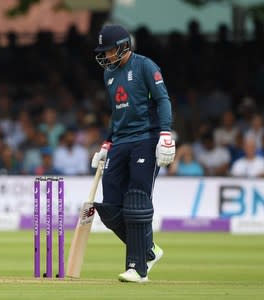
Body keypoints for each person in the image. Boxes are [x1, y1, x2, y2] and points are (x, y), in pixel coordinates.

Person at [90, 24, 175, 283]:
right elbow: (117, 113)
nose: (106, 55)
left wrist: (165, 134)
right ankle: (148, 249)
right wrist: (107, 142)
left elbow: (163, 99)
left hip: (146, 139)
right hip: (121, 142)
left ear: (124, 46)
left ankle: (137, 268)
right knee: (110, 207)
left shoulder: (145, 66)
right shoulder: (109, 75)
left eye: (110, 50)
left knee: (137, 200)